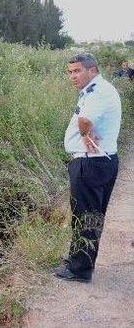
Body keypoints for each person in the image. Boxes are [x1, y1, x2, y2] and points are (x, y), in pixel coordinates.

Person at [54, 53, 121, 283]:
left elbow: (85, 120)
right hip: (100, 162)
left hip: (89, 163)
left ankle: (79, 270)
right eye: (70, 72)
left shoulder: (97, 92)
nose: (72, 76)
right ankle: (79, 261)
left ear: (92, 70)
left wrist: (84, 133)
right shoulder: (96, 90)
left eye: (77, 71)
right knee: (91, 216)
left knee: (85, 217)